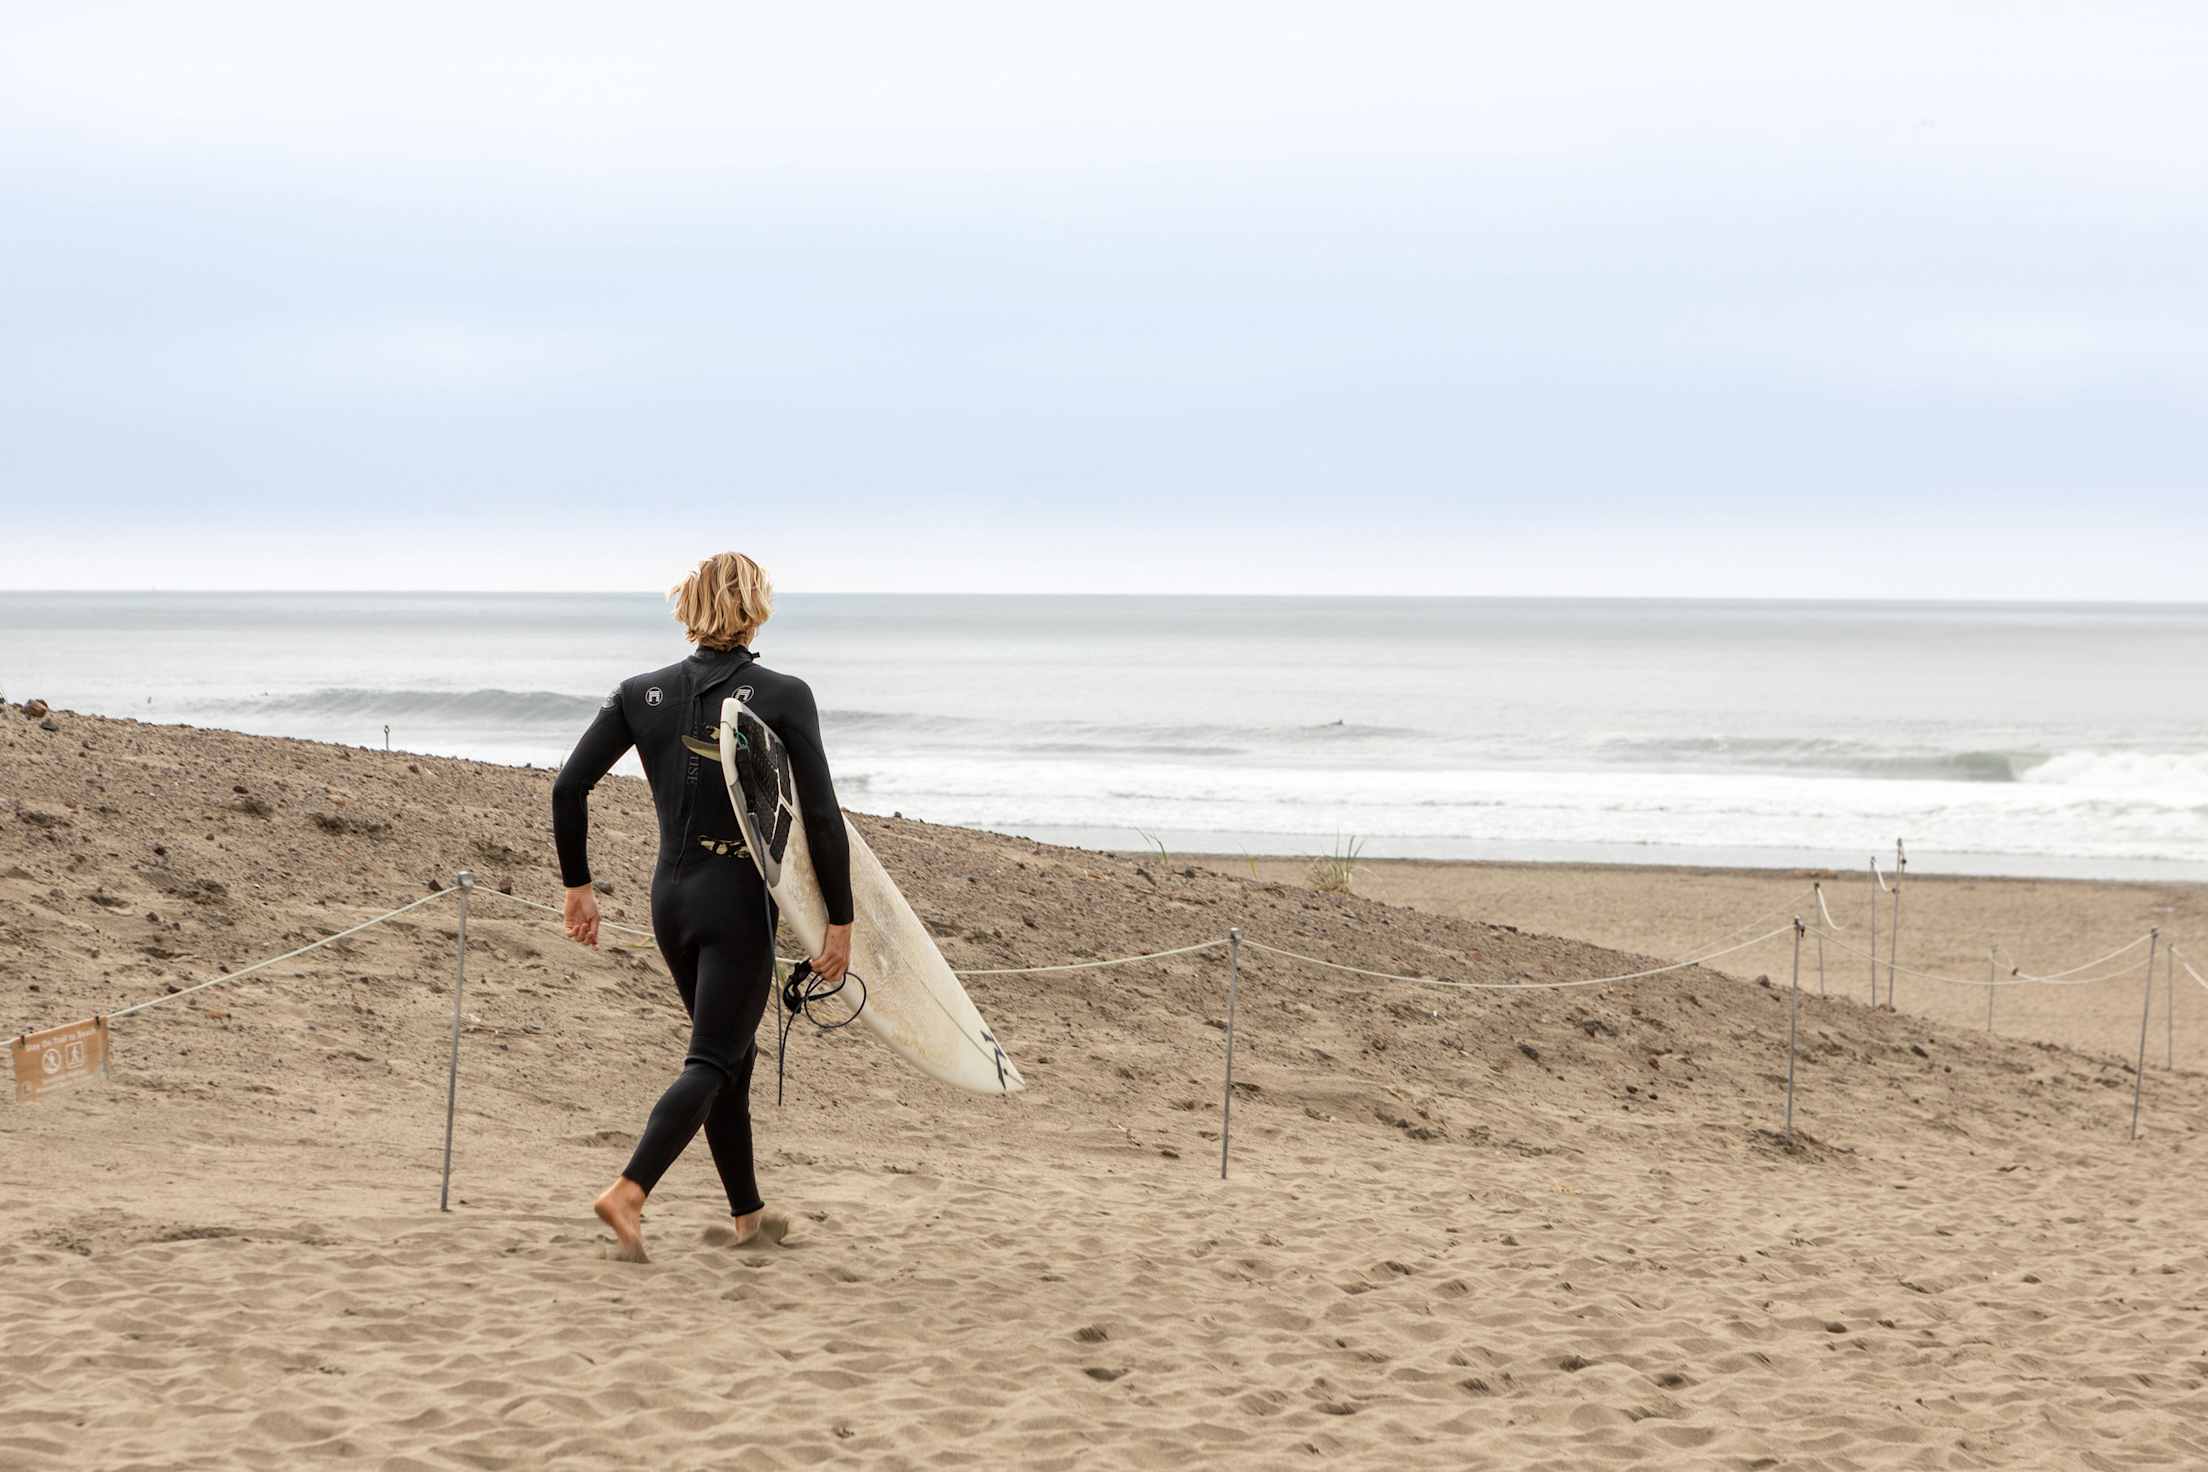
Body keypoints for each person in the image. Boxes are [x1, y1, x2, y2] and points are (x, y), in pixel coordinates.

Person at [551, 552, 854, 1262]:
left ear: (688, 605)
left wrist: (579, 888)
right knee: (714, 1058)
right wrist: (838, 920)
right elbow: (820, 815)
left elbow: (568, 789)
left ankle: (749, 1216)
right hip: (736, 899)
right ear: (756, 606)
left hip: (671, 897)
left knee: (731, 1058)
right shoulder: (782, 694)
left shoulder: (639, 691)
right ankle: (628, 1192)